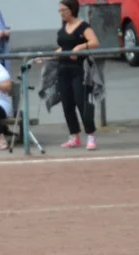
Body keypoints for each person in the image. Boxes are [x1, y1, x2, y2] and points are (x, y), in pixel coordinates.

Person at [55, 0, 99, 150]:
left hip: (79, 70)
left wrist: (80, 47)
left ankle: (90, 135)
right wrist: (48, 56)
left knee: (82, 102)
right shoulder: (63, 27)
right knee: (67, 104)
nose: (61, 13)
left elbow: (94, 42)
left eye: (63, 10)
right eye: (59, 11)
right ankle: (74, 135)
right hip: (63, 69)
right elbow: (63, 48)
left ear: (71, 9)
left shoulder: (83, 26)